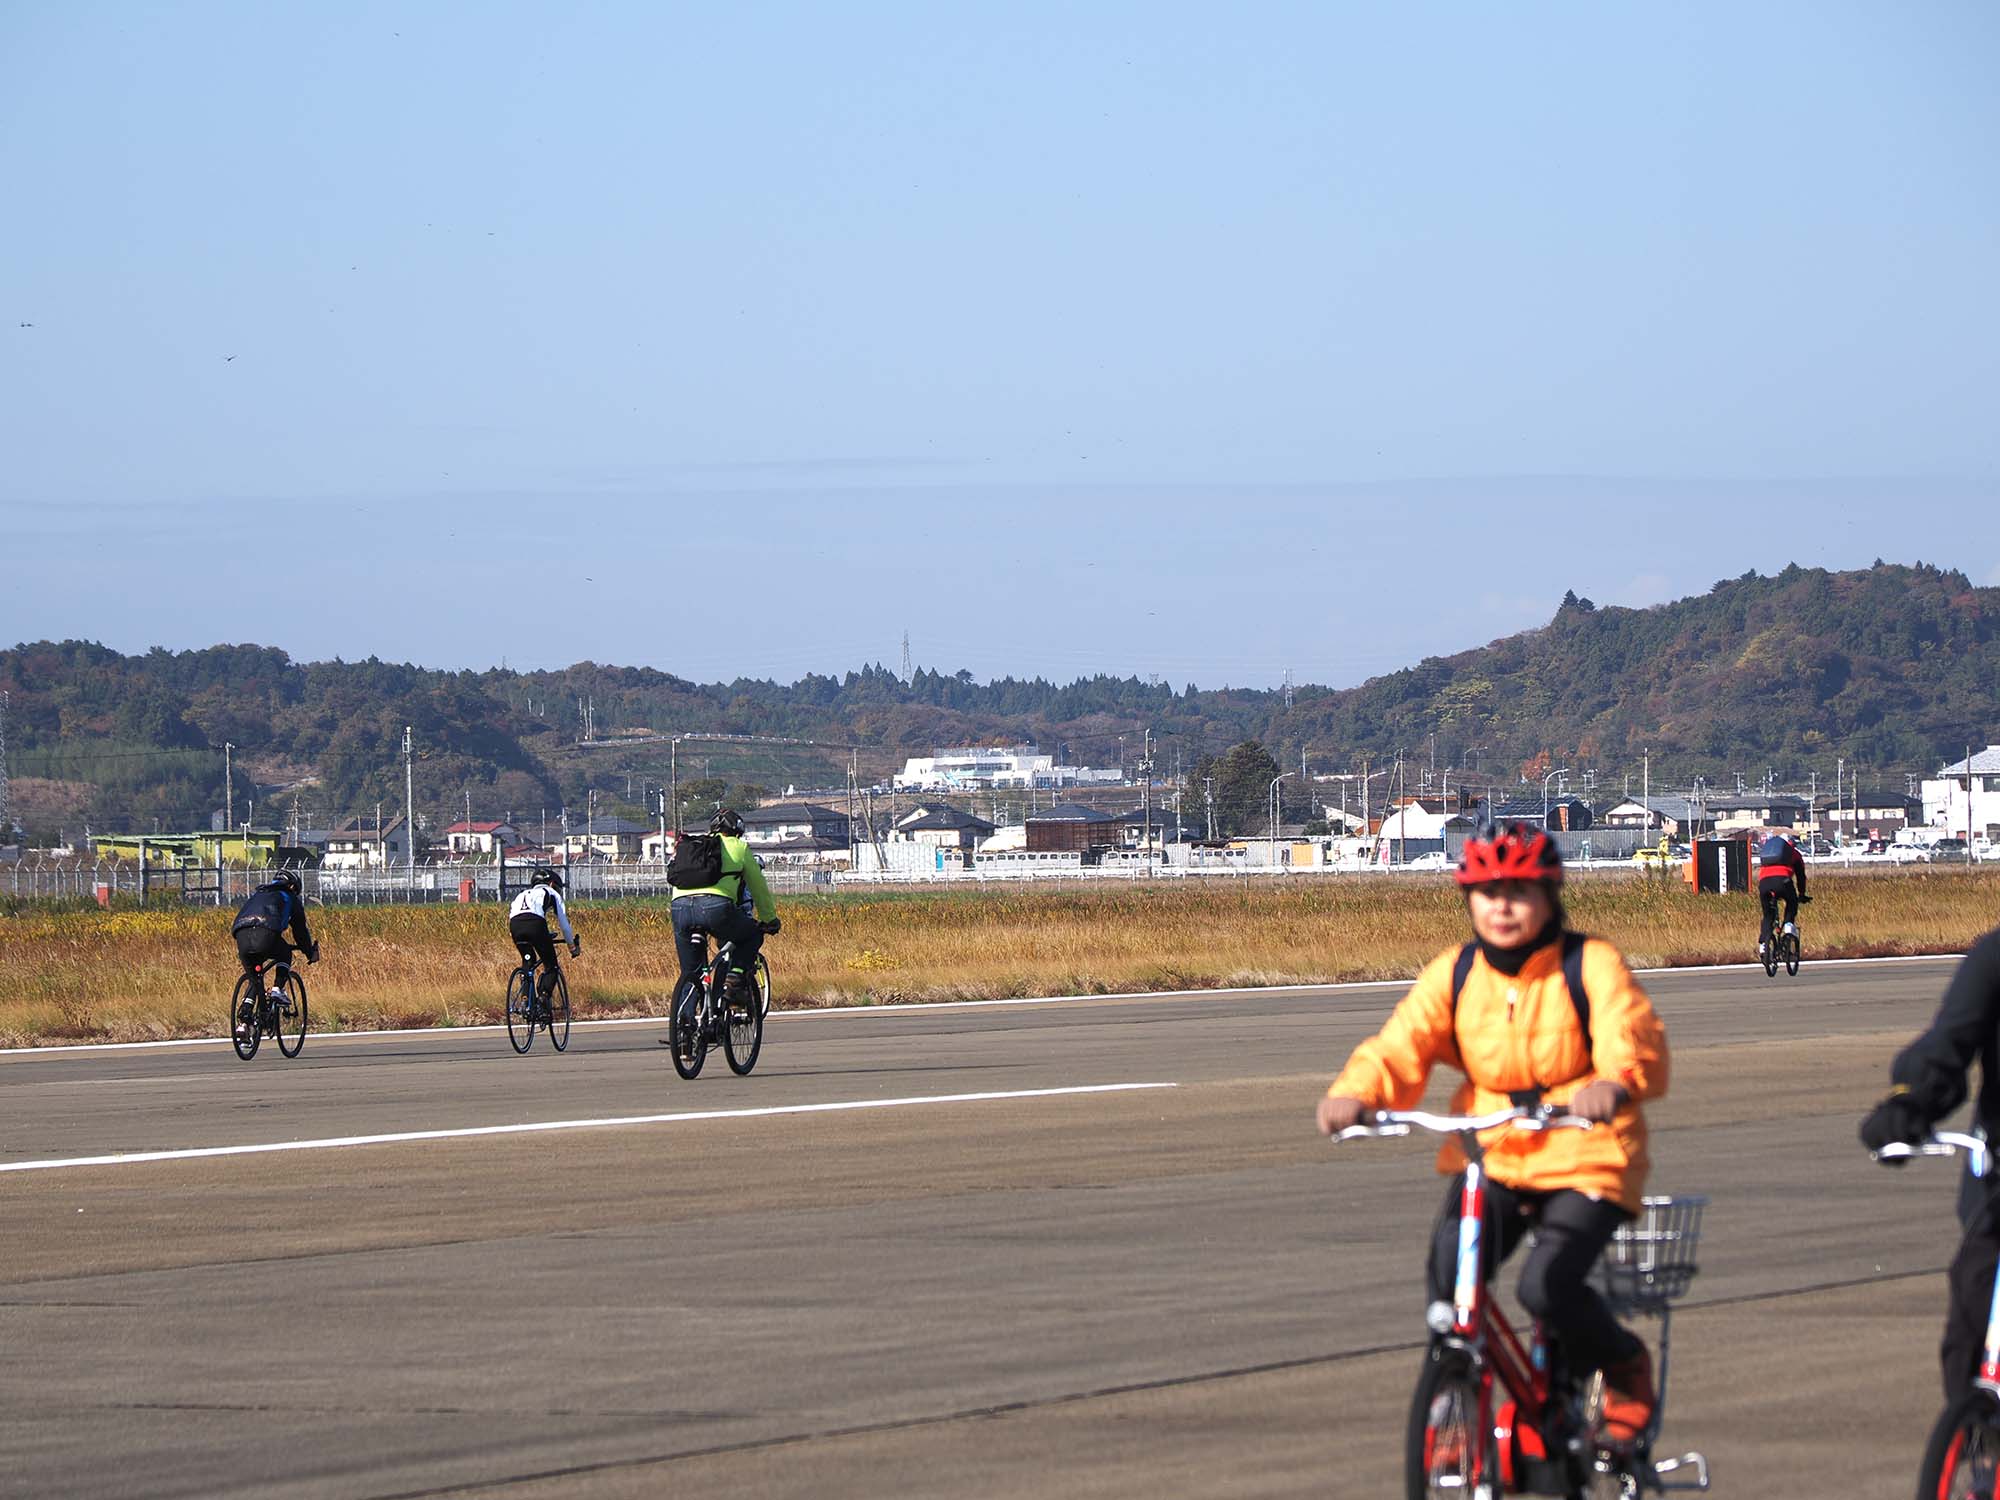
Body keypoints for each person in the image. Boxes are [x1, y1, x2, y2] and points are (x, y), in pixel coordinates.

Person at [1315, 821, 1670, 1451]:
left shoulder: (1589, 965)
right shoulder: (1456, 974)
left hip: (1586, 1154)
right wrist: (1355, 1094)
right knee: (1451, 1286)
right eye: (1486, 892)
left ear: (1549, 895)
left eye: (1518, 891)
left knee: (1545, 1288)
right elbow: (1401, 1045)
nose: (1501, 905)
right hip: (1496, 1155)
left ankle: (1622, 1367)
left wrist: (1612, 1084)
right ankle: (1454, 1408)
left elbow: (1631, 1036)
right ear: (1468, 898)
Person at [1859, 930, 2000, 1403]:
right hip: (1998, 1187)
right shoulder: (1995, 958)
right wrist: (1909, 1104)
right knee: (1971, 1321)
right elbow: (1948, 1043)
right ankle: (1979, 1454)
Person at [669, 809, 778, 1016]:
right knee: (753, 934)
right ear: (737, 831)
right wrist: (769, 919)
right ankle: (735, 977)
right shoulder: (738, 847)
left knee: (690, 972)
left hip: (680, 909)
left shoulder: (692, 847)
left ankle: (685, 1031)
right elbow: (758, 887)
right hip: (715, 909)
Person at [231, 869, 319, 1012]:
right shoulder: (288, 897)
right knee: (284, 953)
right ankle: (277, 988)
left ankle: (244, 1018)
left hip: (241, 936)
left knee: (255, 977)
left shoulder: (258, 894)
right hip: (266, 934)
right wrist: (309, 952)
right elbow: (300, 931)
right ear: (292, 887)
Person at [508, 867, 579, 1002]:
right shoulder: (552, 893)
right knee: (551, 965)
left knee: (528, 960)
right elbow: (564, 925)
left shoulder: (522, 894)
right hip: (536, 924)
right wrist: (572, 947)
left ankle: (525, 999)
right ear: (551, 884)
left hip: (515, 926)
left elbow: (512, 915)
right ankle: (544, 997)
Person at [1756, 832, 1809, 960]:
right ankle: (1788, 926)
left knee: (1768, 915)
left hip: (1764, 884)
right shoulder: (1794, 853)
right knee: (1792, 902)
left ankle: (1763, 945)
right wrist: (1801, 894)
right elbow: (1801, 876)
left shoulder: (1768, 854)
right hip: (1783, 882)